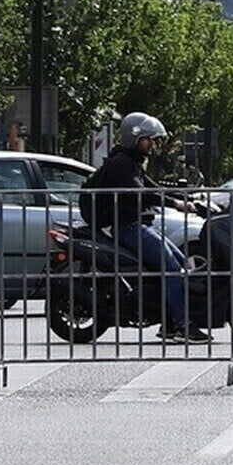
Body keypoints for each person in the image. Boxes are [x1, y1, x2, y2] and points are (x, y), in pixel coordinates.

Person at [81, 111, 213, 343]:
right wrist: (176, 203)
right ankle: (182, 325)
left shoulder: (131, 163)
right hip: (127, 228)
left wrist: (190, 196)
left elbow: (155, 187)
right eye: (147, 139)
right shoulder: (122, 164)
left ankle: (170, 324)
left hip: (137, 226)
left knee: (181, 262)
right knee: (170, 267)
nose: (151, 144)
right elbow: (141, 193)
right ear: (134, 137)